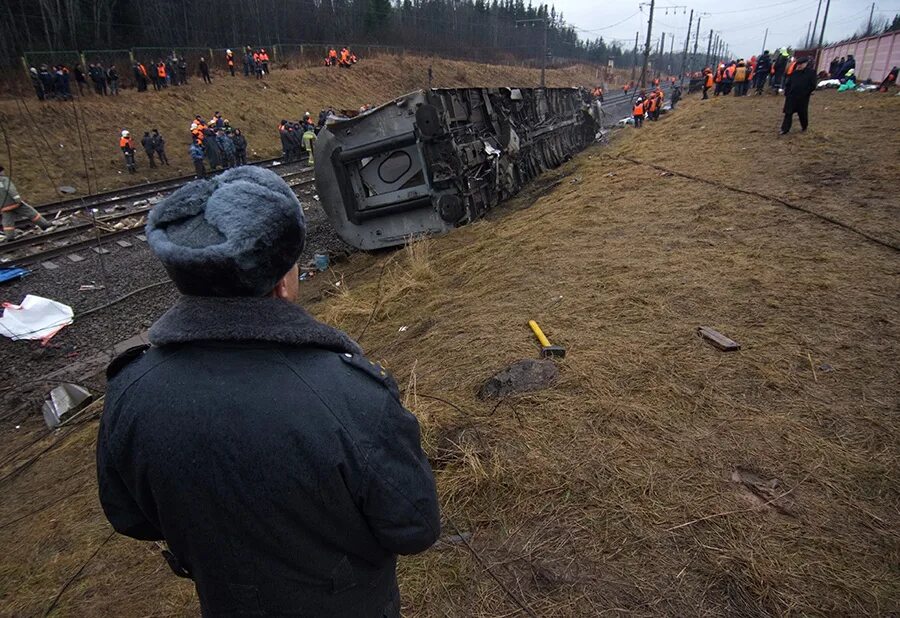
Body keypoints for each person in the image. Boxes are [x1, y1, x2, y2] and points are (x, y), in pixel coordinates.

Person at [96, 166, 439, 617]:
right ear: (281, 281)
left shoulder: (128, 391)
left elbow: (130, 517)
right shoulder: (350, 396)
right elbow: (414, 527)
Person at [1, 166, 52, 241]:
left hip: (4, 207)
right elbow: (11, 190)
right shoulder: (4, 180)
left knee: (7, 222)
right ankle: (44, 224)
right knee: (31, 213)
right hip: (14, 203)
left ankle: (10, 236)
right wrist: (18, 199)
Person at [780, 57, 816, 135]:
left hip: (803, 97)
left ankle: (804, 126)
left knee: (802, 113)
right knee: (788, 113)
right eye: (798, 64)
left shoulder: (811, 73)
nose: (799, 66)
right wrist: (787, 93)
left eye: (801, 64)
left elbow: (813, 85)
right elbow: (788, 84)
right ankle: (784, 129)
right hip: (791, 96)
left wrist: (806, 93)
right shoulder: (794, 73)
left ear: (806, 64)